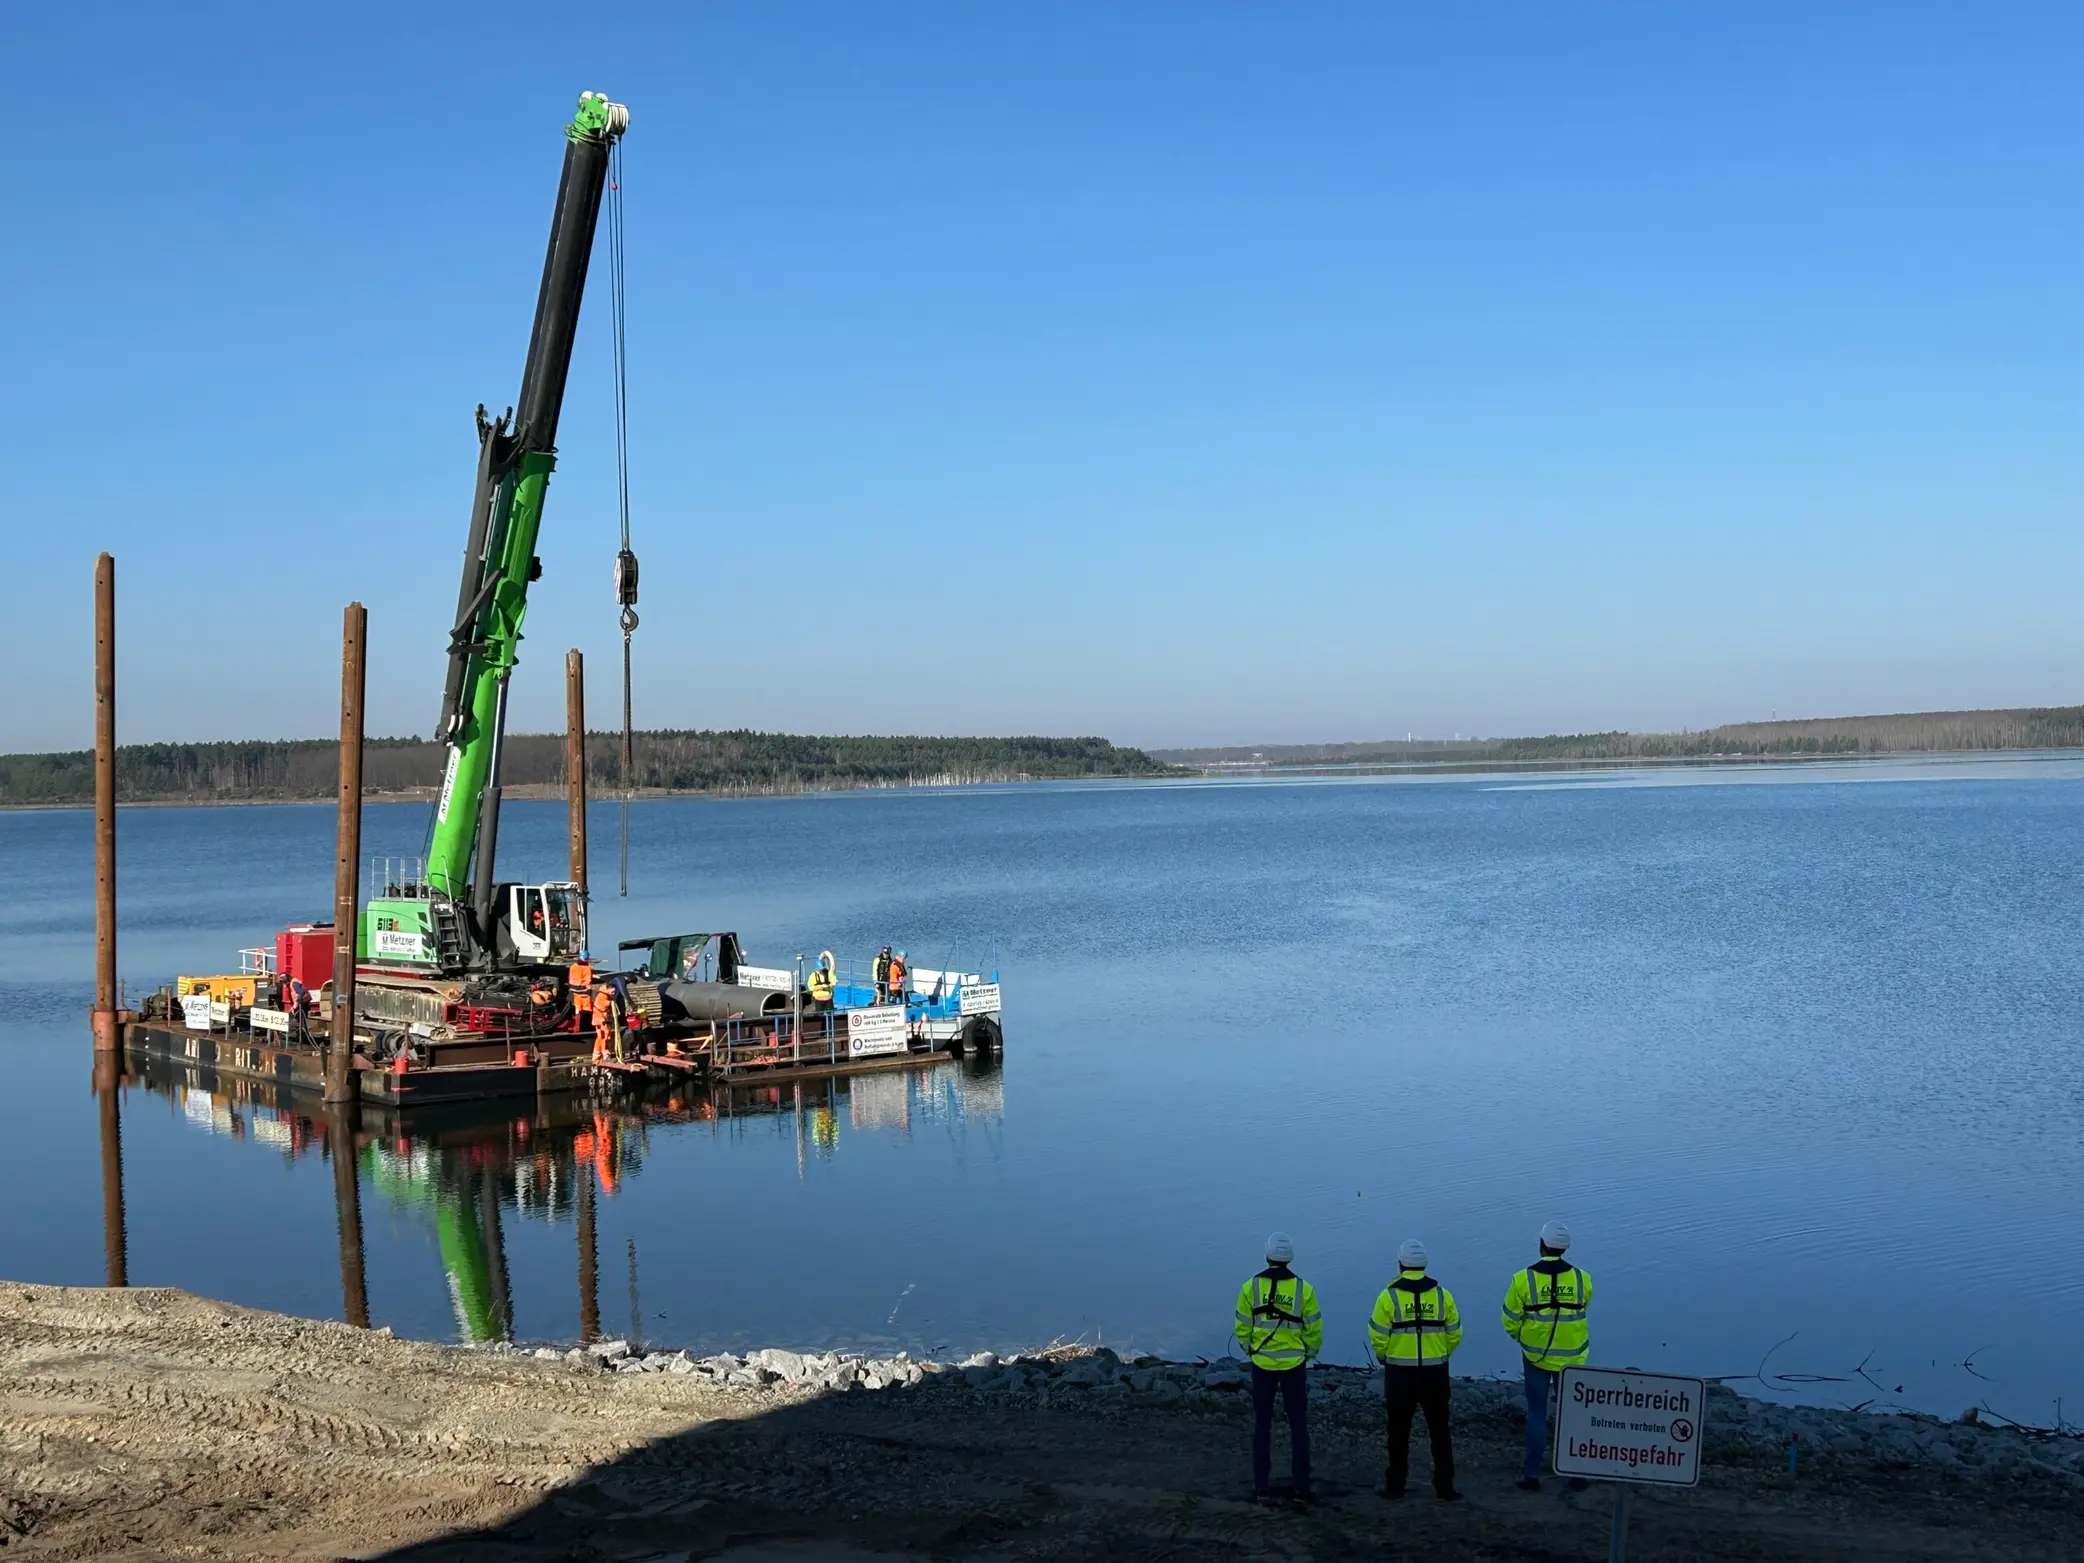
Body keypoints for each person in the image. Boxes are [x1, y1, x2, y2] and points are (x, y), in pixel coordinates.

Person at [1503, 1220, 1594, 1491]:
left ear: (1541, 1244)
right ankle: (1577, 1473)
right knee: (1574, 1415)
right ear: (1566, 1248)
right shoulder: (1582, 1278)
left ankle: (1531, 1474)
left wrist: (1524, 1338)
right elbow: (1584, 1305)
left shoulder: (1523, 1279)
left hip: (1536, 1358)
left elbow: (1509, 1320)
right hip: (1573, 1360)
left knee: (1537, 1414)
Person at [1369, 1239, 1463, 1501]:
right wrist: (1441, 1354)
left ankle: (1396, 1486)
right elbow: (1455, 1333)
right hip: (1435, 1372)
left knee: (1398, 1432)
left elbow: (1377, 1334)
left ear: (1400, 1264)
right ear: (1424, 1265)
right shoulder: (1443, 1295)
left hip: (1400, 1373)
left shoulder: (1388, 1296)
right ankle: (1445, 1487)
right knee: (1440, 1432)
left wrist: (1385, 1356)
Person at [1233, 1232, 1321, 1502]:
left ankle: (1261, 1486)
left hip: (1262, 1363)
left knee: (1262, 1424)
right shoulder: (1303, 1289)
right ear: (1289, 1258)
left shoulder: (1250, 1287)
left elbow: (1241, 1327)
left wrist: (1250, 1350)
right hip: (1294, 1364)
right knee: (1297, 1424)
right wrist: (1308, 1353)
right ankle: (1302, 1487)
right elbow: (1314, 1328)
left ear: (1267, 1255)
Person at [591, 984, 618, 1061]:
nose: (613, 993)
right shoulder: (602, 995)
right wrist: (611, 1003)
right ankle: (605, 1054)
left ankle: (596, 1055)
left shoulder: (604, 994)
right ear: (608, 989)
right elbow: (601, 1006)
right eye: (612, 991)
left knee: (600, 1037)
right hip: (601, 1019)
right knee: (604, 1036)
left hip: (600, 1018)